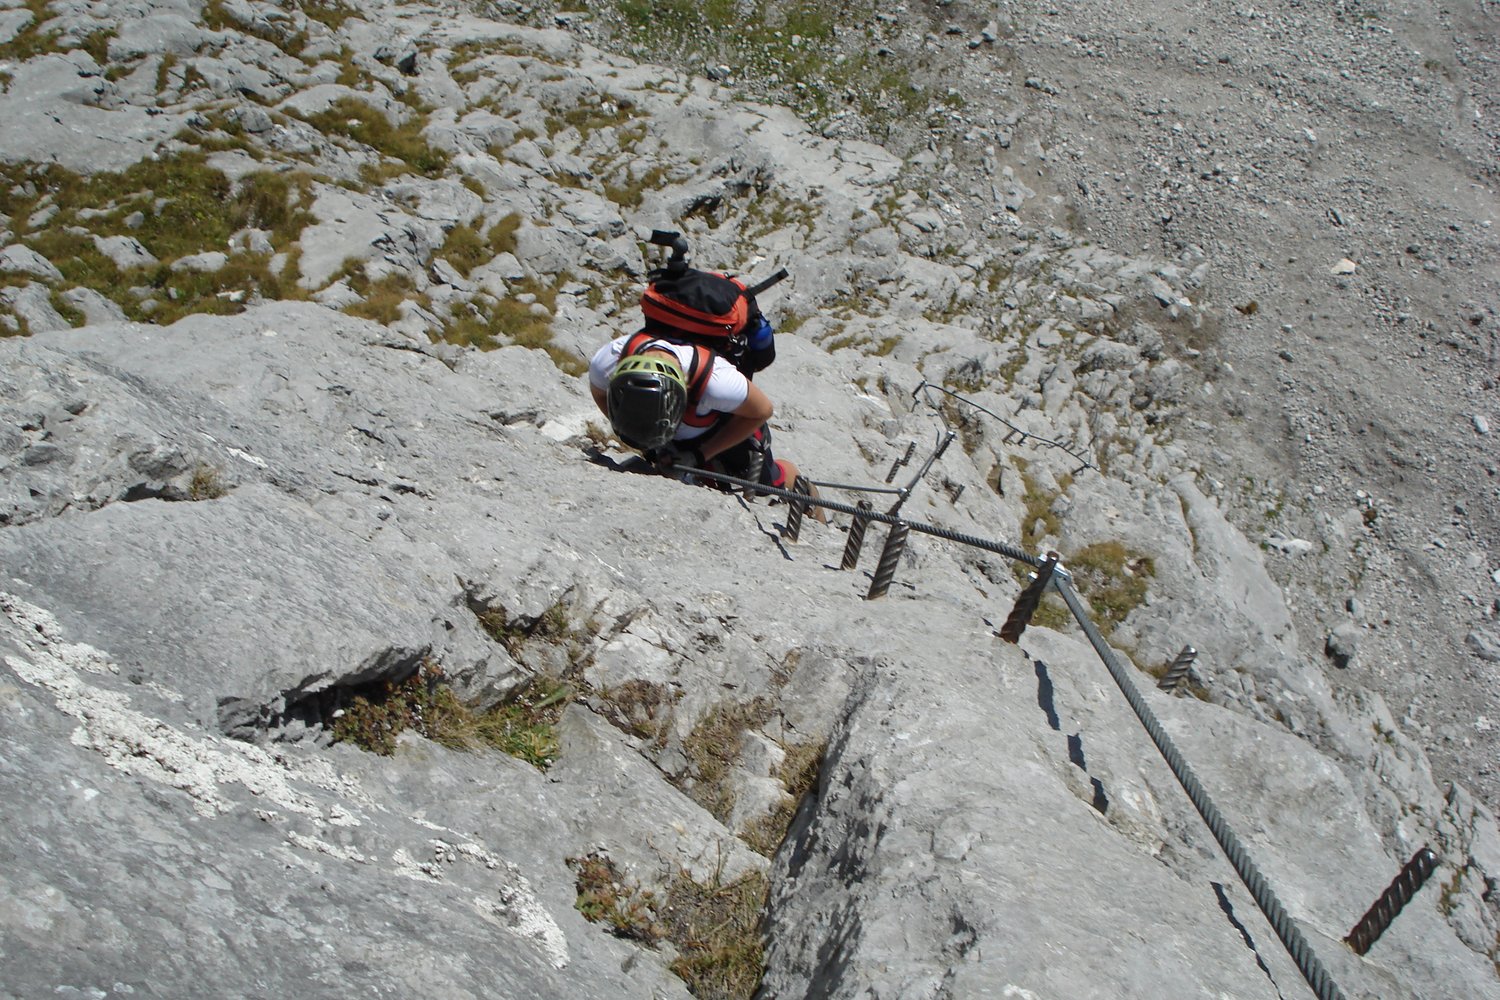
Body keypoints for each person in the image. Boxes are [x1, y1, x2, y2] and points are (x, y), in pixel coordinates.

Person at [587, 331, 802, 495]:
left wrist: (700, 455)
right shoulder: (608, 361)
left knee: (767, 484)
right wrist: (645, 442)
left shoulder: (718, 383)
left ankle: (805, 494)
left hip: (723, 425)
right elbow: (599, 391)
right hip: (674, 427)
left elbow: (762, 411)